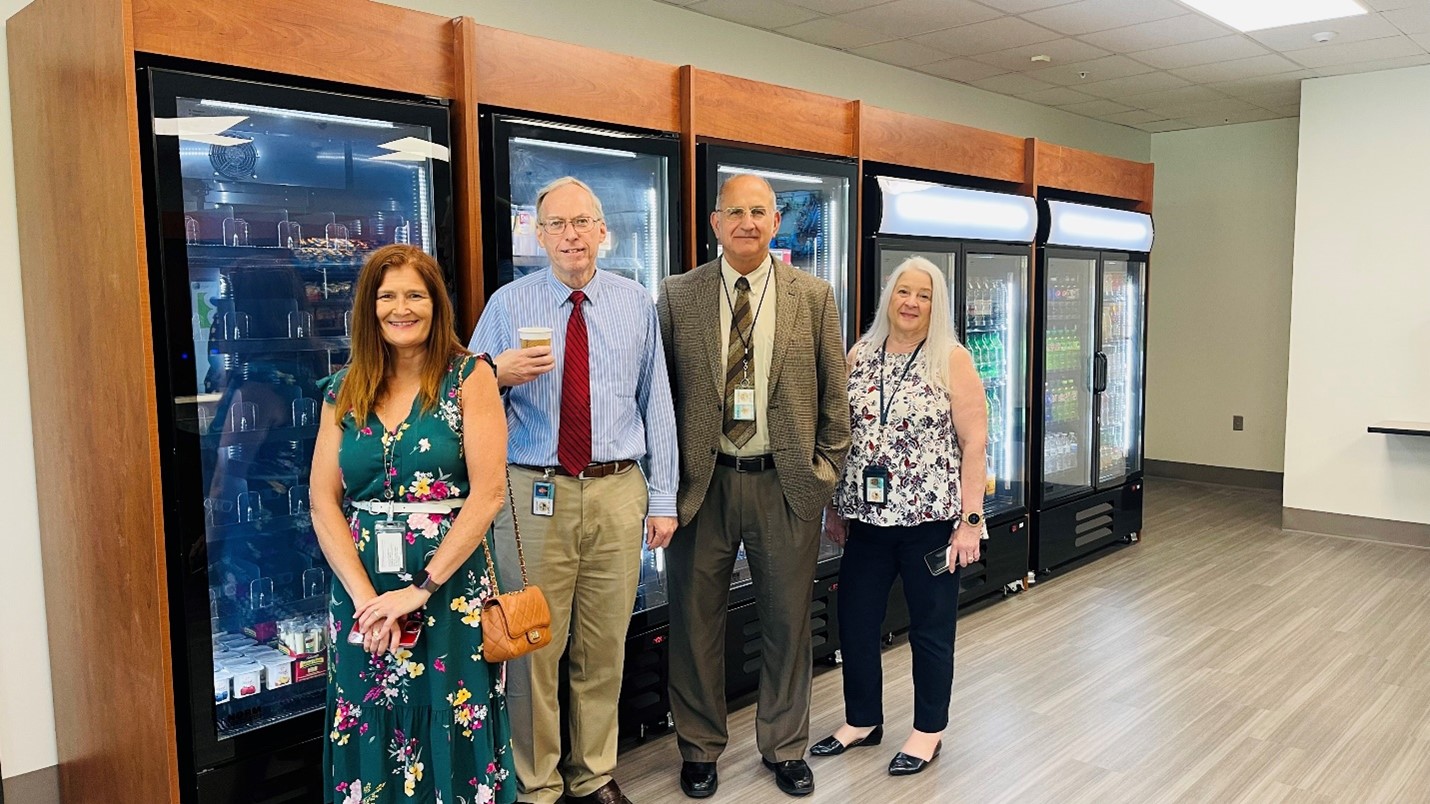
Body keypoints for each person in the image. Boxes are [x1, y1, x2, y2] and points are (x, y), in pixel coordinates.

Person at [470, 176, 679, 804]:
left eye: (582, 223)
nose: (571, 235)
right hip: (532, 492)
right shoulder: (508, 304)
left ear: (603, 232)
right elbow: (465, 401)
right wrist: (495, 372)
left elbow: (658, 404)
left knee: (603, 642)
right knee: (533, 643)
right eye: (557, 224)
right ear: (539, 234)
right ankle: (535, 785)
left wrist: (663, 499)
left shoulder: (635, 301)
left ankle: (592, 776)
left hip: (617, 491)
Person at [657, 173, 851, 799]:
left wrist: (822, 478)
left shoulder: (813, 296)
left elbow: (835, 401)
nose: (746, 221)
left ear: (774, 222)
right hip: (701, 484)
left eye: (758, 211)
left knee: (788, 623)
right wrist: (662, 487)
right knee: (693, 622)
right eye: (734, 211)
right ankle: (699, 747)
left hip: (784, 484)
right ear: (715, 223)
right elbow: (658, 400)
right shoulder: (677, 295)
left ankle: (785, 745)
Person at [310, 244, 515, 803]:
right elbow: (323, 502)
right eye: (387, 296)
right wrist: (366, 600)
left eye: (415, 295)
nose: (401, 308)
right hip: (363, 591)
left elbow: (489, 492)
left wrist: (418, 591)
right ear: (369, 308)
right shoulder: (342, 390)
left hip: (449, 589)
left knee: (452, 709)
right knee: (367, 709)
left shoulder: (470, 377)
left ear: (436, 304)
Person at [813, 256, 988, 777]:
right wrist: (833, 505)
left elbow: (974, 442)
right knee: (857, 622)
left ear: (937, 305)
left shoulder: (952, 358)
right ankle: (862, 720)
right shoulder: (860, 354)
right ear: (889, 296)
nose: (911, 303)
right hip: (864, 521)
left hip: (931, 525)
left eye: (924, 295)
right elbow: (842, 433)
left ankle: (928, 730)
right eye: (903, 292)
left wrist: (970, 522)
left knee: (931, 630)